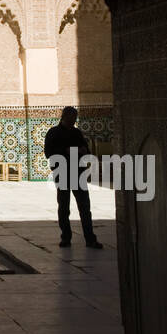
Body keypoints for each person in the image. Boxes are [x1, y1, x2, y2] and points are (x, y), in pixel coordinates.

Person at [44, 106, 103, 249]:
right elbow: (49, 152)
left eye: (74, 119)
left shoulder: (76, 132)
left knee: (84, 207)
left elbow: (86, 149)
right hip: (62, 173)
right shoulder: (54, 133)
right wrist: (65, 151)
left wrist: (83, 151)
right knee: (64, 207)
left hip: (78, 174)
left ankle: (90, 239)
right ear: (64, 117)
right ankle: (66, 237)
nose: (73, 121)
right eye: (71, 119)